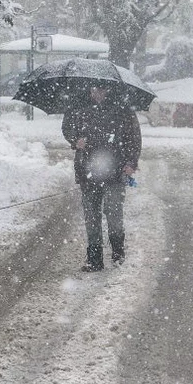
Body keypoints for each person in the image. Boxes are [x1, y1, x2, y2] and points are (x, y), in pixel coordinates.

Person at [62, 83, 141, 272]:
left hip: (115, 170)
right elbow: (67, 128)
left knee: (113, 213)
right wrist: (75, 140)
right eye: (94, 89)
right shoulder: (77, 105)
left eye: (102, 89)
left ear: (108, 90)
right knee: (91, 215)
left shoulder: (122, 108)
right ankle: (94, 258)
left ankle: (118, 252)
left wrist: (131, 162)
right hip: (87, 170)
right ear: (88, 90)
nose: (98, 93)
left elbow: (134, 137)